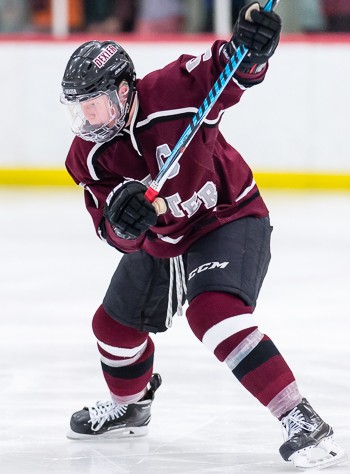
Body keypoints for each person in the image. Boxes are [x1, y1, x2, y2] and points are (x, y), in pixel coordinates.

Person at [60, 2, 346, 469]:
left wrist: (252, 51)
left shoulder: (174, 89)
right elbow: (111, 232)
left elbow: (231, 71)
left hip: (226, 217)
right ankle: (132, 405)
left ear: (125, 90)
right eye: (80, 109)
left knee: (213, 314)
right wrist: (126, 224)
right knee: (111, 328)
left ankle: (301, 418)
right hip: (164, 240)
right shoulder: (88, 157)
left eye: (95, 105)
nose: (88, 120)